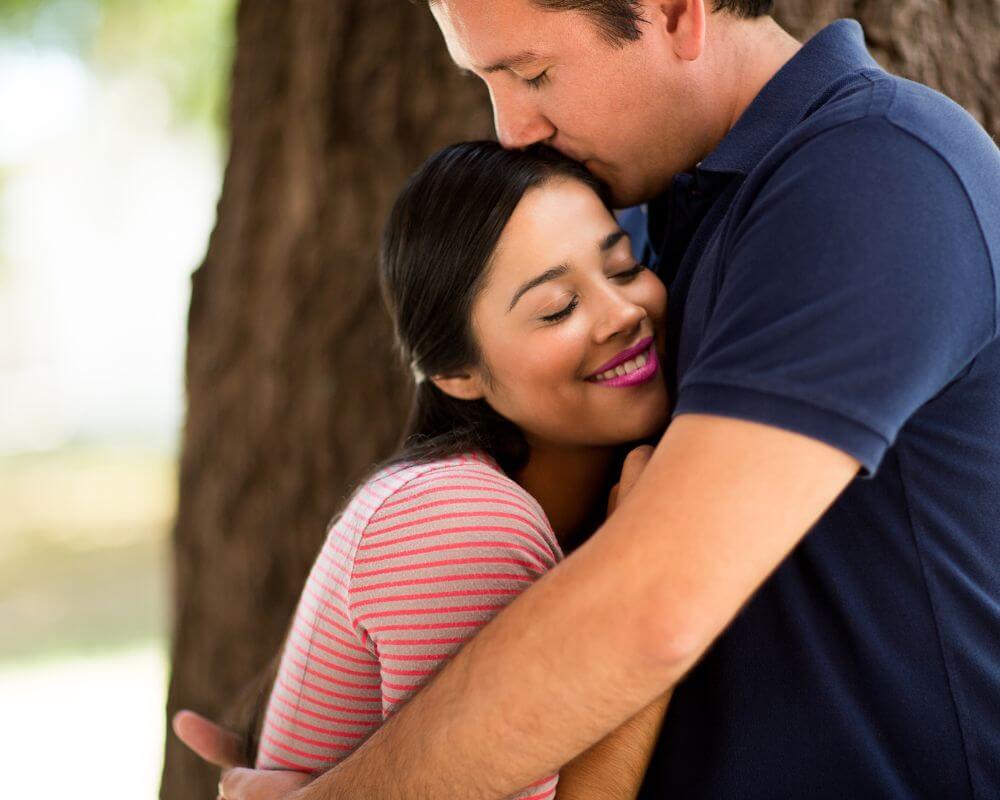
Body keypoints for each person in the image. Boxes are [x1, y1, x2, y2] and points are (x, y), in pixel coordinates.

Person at [177, 1, 1000, 798]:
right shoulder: (642, 226)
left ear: (677, 12)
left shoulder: (872, 174)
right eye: (487, 82)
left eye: (532, 73)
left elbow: (654, 607)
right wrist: (326, 717)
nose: (510, 130)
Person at [187, 140, 676, 799]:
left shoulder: (519, 510)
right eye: (558, 307)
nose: (624, 314)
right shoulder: (462, 516)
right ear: (457, 373)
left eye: (623, 268)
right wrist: (655, 583)